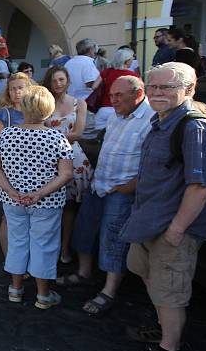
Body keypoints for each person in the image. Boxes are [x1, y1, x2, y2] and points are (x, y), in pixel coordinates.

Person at [120, 62, 206, 351]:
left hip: (170, 227)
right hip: (148, 221)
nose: (157, 92)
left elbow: (200, 186)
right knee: (146, 273)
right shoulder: (161, 119)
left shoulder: (195, 128)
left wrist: (177, 229)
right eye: (153, 86)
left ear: (189, 89)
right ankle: (164, 327)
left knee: (170, 293)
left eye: (166, 87)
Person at [66, 76, 154, 314]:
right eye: (111, 95)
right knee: (84, 230)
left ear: (137, 94)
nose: (113, 100)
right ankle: (85, 273)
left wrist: (131, 186)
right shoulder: (116, 115)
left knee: (112, 239)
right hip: (99, 184)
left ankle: (109, 291)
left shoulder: (150, 119)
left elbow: (153, 163)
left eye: (118, 96)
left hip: (121, 190)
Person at [0, 86, 74, 309]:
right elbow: (65, 174)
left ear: (23, 108)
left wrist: (9, 190)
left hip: (13, 201)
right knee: (43, 245)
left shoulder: (7, 134)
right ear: (49, 110)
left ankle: (15, 289)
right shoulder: (57, 137)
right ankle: (43, 295)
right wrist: (40, 193)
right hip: (46, 202)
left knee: (17, 242)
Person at [42, 66, 92, 264]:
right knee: (51, 208)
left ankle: (65, 248)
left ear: (68, 80)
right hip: (50, 161)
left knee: (71, 207)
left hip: (74, 160)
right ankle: (50, 249)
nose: (58, 84)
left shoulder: (79, 103)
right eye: (54, 80)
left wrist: (52, 138)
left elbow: (78, 132)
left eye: (61, 80)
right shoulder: (44, 104)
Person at [0, 72, 33, 257]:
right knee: (9, 217)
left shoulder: (35, 111)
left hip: (34, 172)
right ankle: (9, 257)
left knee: (30, 218)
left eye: (20, 87)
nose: (17, 92)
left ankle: (26, 257)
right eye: (13, 88)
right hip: (11, 172)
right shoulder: (5, 114)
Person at [92, 48, 138, 131]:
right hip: (121, 111)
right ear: (126, 61)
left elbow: (94, 87)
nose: (132, 61)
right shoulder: (132, 75)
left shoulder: (106, 72)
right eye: (132, 59)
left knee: (102, 140)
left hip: (103, 110)